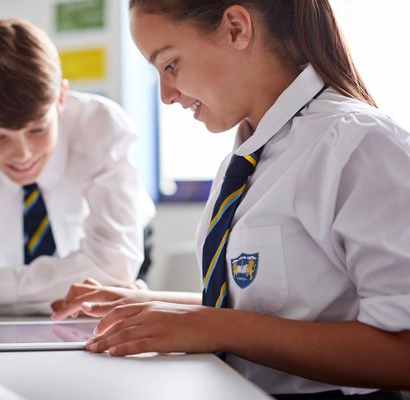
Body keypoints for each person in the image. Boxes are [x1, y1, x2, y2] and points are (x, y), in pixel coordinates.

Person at [52, 0, 410, 398]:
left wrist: (209, 327)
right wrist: (144, 301)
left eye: (169, 65)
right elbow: (271, 309)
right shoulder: (244, 160)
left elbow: (402, 351)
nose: (166, 95)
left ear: (237, 28)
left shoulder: (359, 144)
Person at [0, 18, 155, 314]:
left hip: (131, 240)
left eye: (37, 130)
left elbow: (113, 267)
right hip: (23, 265)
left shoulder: (101, 127)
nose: (22, 154)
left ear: (61, 97)